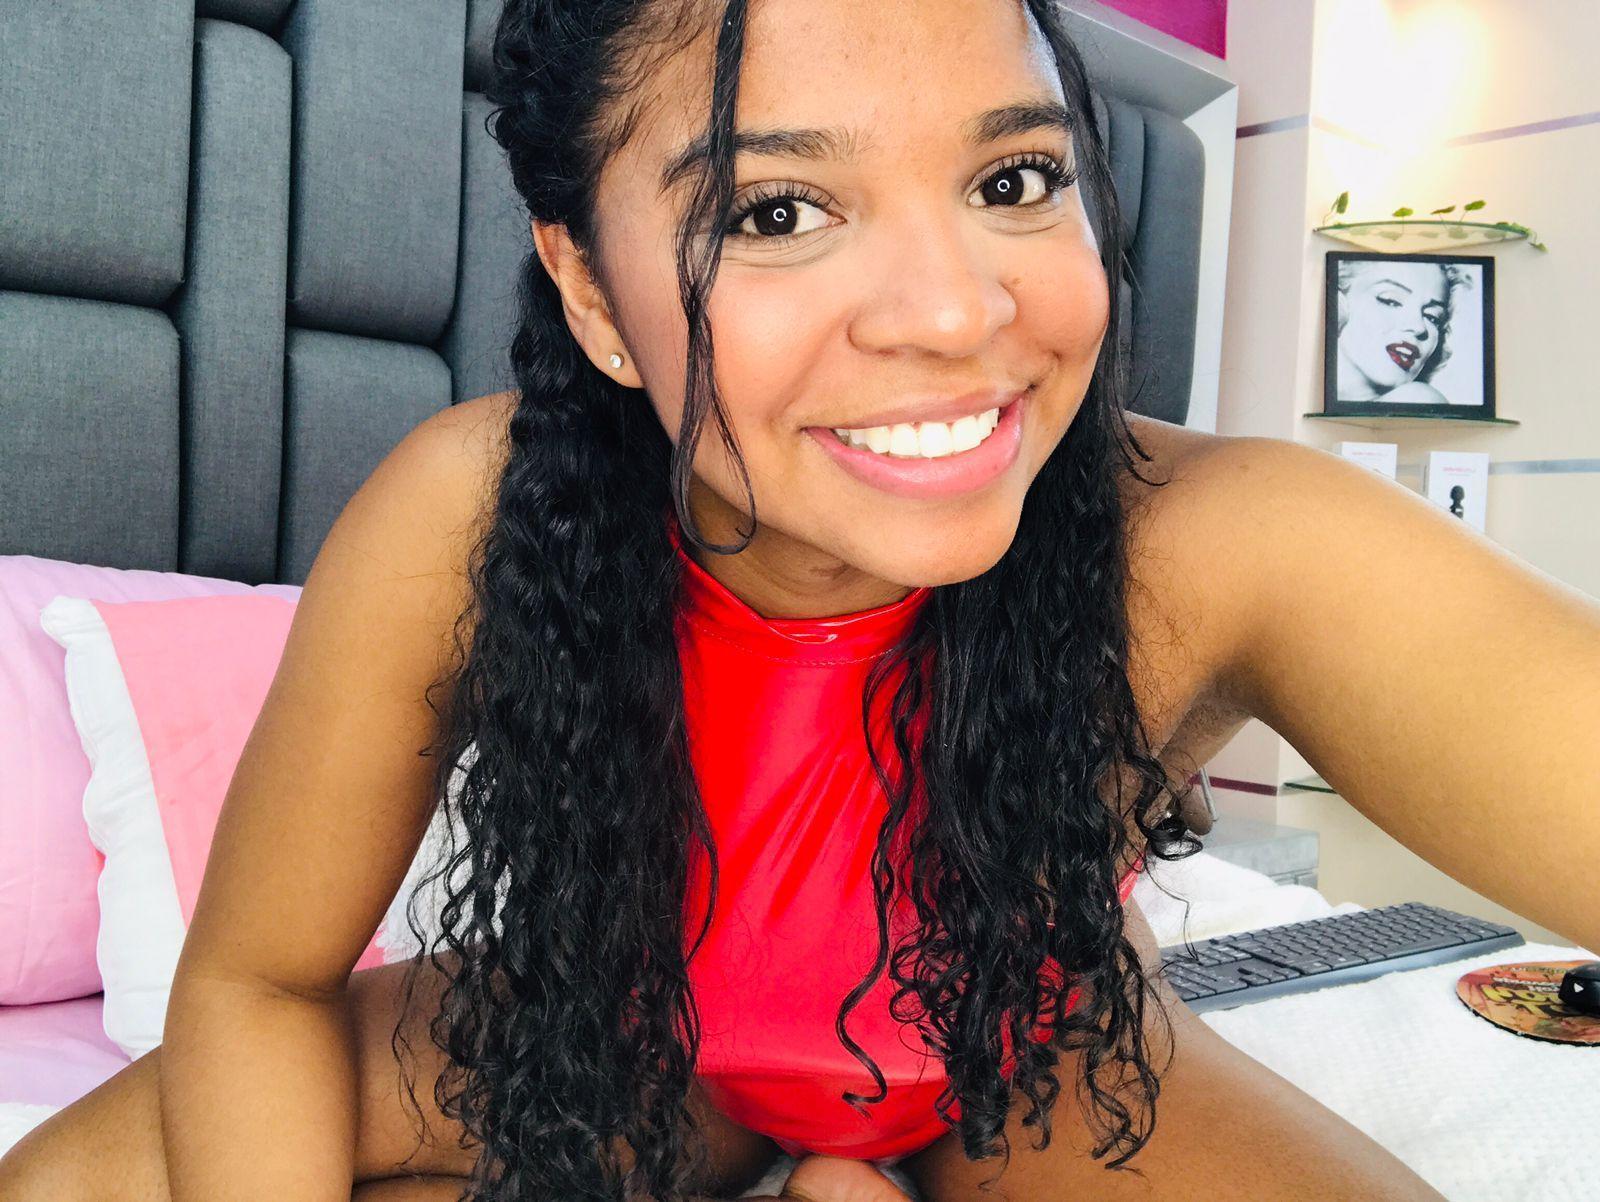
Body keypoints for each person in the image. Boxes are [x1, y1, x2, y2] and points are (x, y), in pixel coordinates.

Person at [7, 1, 1595, 1200]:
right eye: (775, 211)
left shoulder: (1233, 539)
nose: (956, 312)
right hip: (624, 1031)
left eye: (1016, 176)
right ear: (590, 290)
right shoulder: (461, 506)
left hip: (1020, 1053)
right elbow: (259, 985)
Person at [1334, 258, 1474, 405]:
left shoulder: (1419, 398)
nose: (1419, 327)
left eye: (1432, 317)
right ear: (1338, 304)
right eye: (1391, 301)